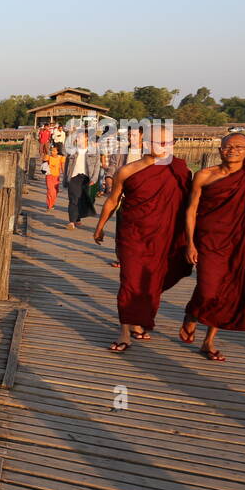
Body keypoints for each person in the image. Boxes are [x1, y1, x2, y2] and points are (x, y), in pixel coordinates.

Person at [178, 132, 245, 362]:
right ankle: (192, 313)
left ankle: (208, 342)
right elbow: (191, 210)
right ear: (220, 149)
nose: (233, 150)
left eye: (239, 147)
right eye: (228, 146)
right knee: (208, 287)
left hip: (242, 240)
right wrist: (190, 243)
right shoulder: (204, 176)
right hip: (210, 239)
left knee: (230, 289)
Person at [93, 124, 192, 351]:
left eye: (170, 143)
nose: (167, 147)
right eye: (161, 142)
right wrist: (99, 226)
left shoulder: (180, 170)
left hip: (165, 236)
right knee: (130, 281)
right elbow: (112, 200)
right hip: (134, 234)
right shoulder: (128, 171)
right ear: (146, 144)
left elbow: (190, 205)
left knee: (153, 281)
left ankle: (139, 323)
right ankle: (124, 331)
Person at [62, 128, 99, 228]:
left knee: (82, 198)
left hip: (86, 177)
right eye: (77, 137)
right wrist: (65, 178)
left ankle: (77, 218)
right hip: (73, 176)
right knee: (73, 198)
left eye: (80, 137)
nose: (77, 139)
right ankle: (71, 222)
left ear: (86, 138)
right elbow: (66, 165)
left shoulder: (93, 150)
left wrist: (94, 179)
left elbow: (97, 166)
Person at [45, 143, 65, 211]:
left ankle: (52, 203)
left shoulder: (61, 158)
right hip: (49, 175)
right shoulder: (48, 157)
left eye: (54, 151)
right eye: (51, 150)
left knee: (55, 191)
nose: (52, 152)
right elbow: (44, 162)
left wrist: (65, 174)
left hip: (56, 177)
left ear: (58, 151)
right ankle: (49, 205)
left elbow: (62, 166)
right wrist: (47, 154)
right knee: (50, 190)